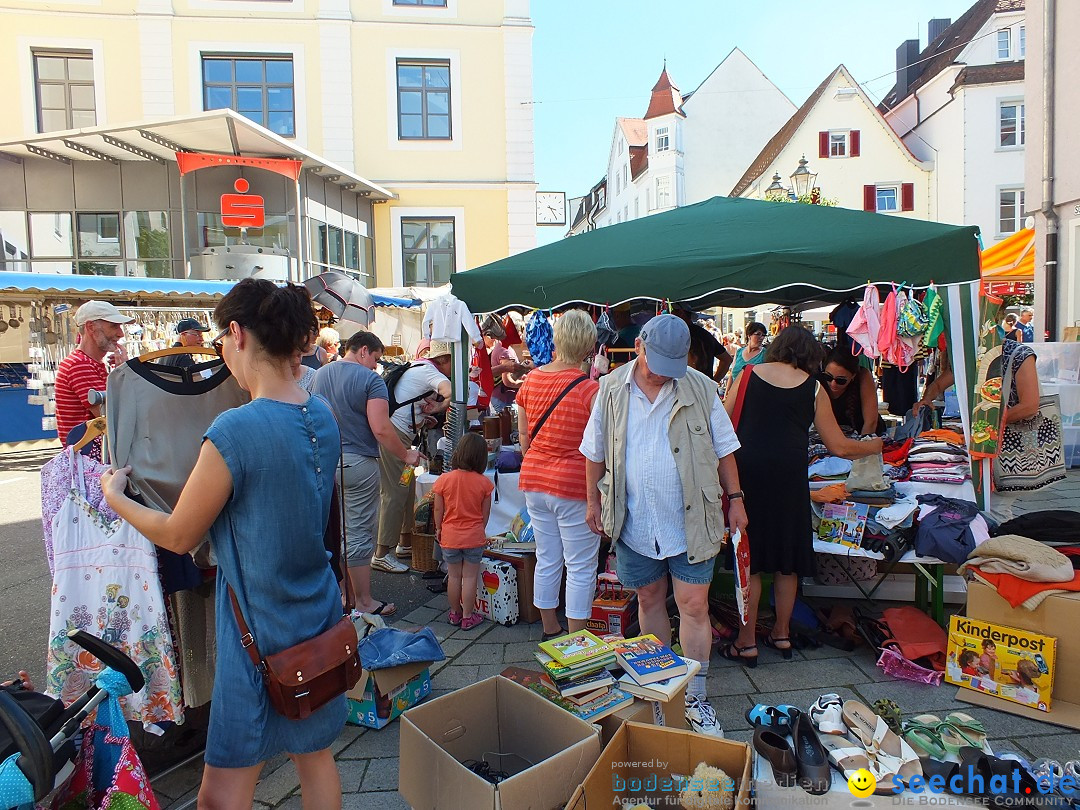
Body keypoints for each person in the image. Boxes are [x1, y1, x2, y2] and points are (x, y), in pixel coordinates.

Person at [101, 278, 345, 809]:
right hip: (317, 615)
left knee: (220, 792)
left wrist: (115, 496)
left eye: (219, 342)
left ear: (236, 334)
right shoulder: (320, 415)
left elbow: (179, 533)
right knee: (316, 757)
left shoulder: (235, 429)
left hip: (255, 631)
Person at [581, 314, 747, 738]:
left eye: (673, 365)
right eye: (657, 362)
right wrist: (591, 501)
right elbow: (593, 451)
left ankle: (697, 698)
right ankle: (661, 689)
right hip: (633, 520)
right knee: (649, 600)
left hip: (692, 518)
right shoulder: (610, 388)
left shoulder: (701, 387)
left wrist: (736, 500)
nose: (662, 374)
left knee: (693, 606)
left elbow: (726, 449)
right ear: (639, 346)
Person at [723, 327, 883, 666]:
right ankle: (781, 634)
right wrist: (876, 445)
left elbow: (723, 425)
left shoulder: (748, 374)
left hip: (748, 476)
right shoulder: (814, 388)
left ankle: (746, 641)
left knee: (750, 560)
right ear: (812, 357)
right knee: (787, 562)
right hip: (789, 478)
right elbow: (838, 445)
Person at [312, 330, 425, 617]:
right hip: (358, 461)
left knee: (336, 532)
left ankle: (343, 594)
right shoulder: (370, 380)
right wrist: (406, 454)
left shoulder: (321, 375)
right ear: (363, 350)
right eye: (375, 359)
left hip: (325, 462)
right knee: (359, 533)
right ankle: (363, 601)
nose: (376, 366)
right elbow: (381, 428)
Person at [516, 309, 601, 638]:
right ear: (588, 348)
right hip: (573, 486)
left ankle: (550, 628)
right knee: (580, 564)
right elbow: (597, 447)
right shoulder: (588, 389)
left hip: (534, 481)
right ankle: (578, 637)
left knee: (547, 556)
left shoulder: (532, 379)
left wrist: (536, 461)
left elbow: (523, 435)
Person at [913, 337, 1040, 522]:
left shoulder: (1019, 354)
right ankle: (994, 541)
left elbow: (1030, 406)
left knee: (996, 506)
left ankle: (1002, 545)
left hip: (1012, 447)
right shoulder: (968, 353)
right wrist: (927, 398)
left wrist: (986, 424)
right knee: (986, 503)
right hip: (983, 443)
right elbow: (940, 383)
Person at [372, 341, 454, 573]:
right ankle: (381, 553)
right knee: (395, 492)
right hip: (396, 437)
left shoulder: (416, 367)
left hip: (403, 436)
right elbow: (451, 392)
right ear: (444, 360)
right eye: (453, 362)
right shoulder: (429, 371)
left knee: (406, 489)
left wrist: (421, 418)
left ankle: (404, 543)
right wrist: (440, 408)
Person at [432, 432, 493, 631]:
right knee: (469, 578)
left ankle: (454, 613)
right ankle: (468, 616)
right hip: (473, 535)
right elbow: (485, 515)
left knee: (454, 576)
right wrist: (479, 531)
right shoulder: (484, 483)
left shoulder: (443, 480)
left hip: (449, 536)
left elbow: (438, 509)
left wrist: (439, 528)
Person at [55, 301, 134, 451]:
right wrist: (125, 373)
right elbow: (113, 418)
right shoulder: (79, 365)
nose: (120, 333)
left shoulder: (90, 363)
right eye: (113, 326)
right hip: (90, 459)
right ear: (91, 327)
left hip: (91, 456)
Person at [821, 348, 884, 435]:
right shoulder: (817, 381)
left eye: (841, 380)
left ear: (853, 376)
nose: (833, 384)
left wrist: (863, 444)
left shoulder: (863, 377)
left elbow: (871, 422)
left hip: (865, 434)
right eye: (828, 377)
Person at [675, 305, 732, 382]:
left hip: (690, 386)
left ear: (681, 313)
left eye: (672, 311)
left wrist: (713, 383)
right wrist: (713, 383)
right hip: (702, 386)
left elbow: (727, 359)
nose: (670, 315)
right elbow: (727, 359)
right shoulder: (704, 334)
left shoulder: (682, 333)